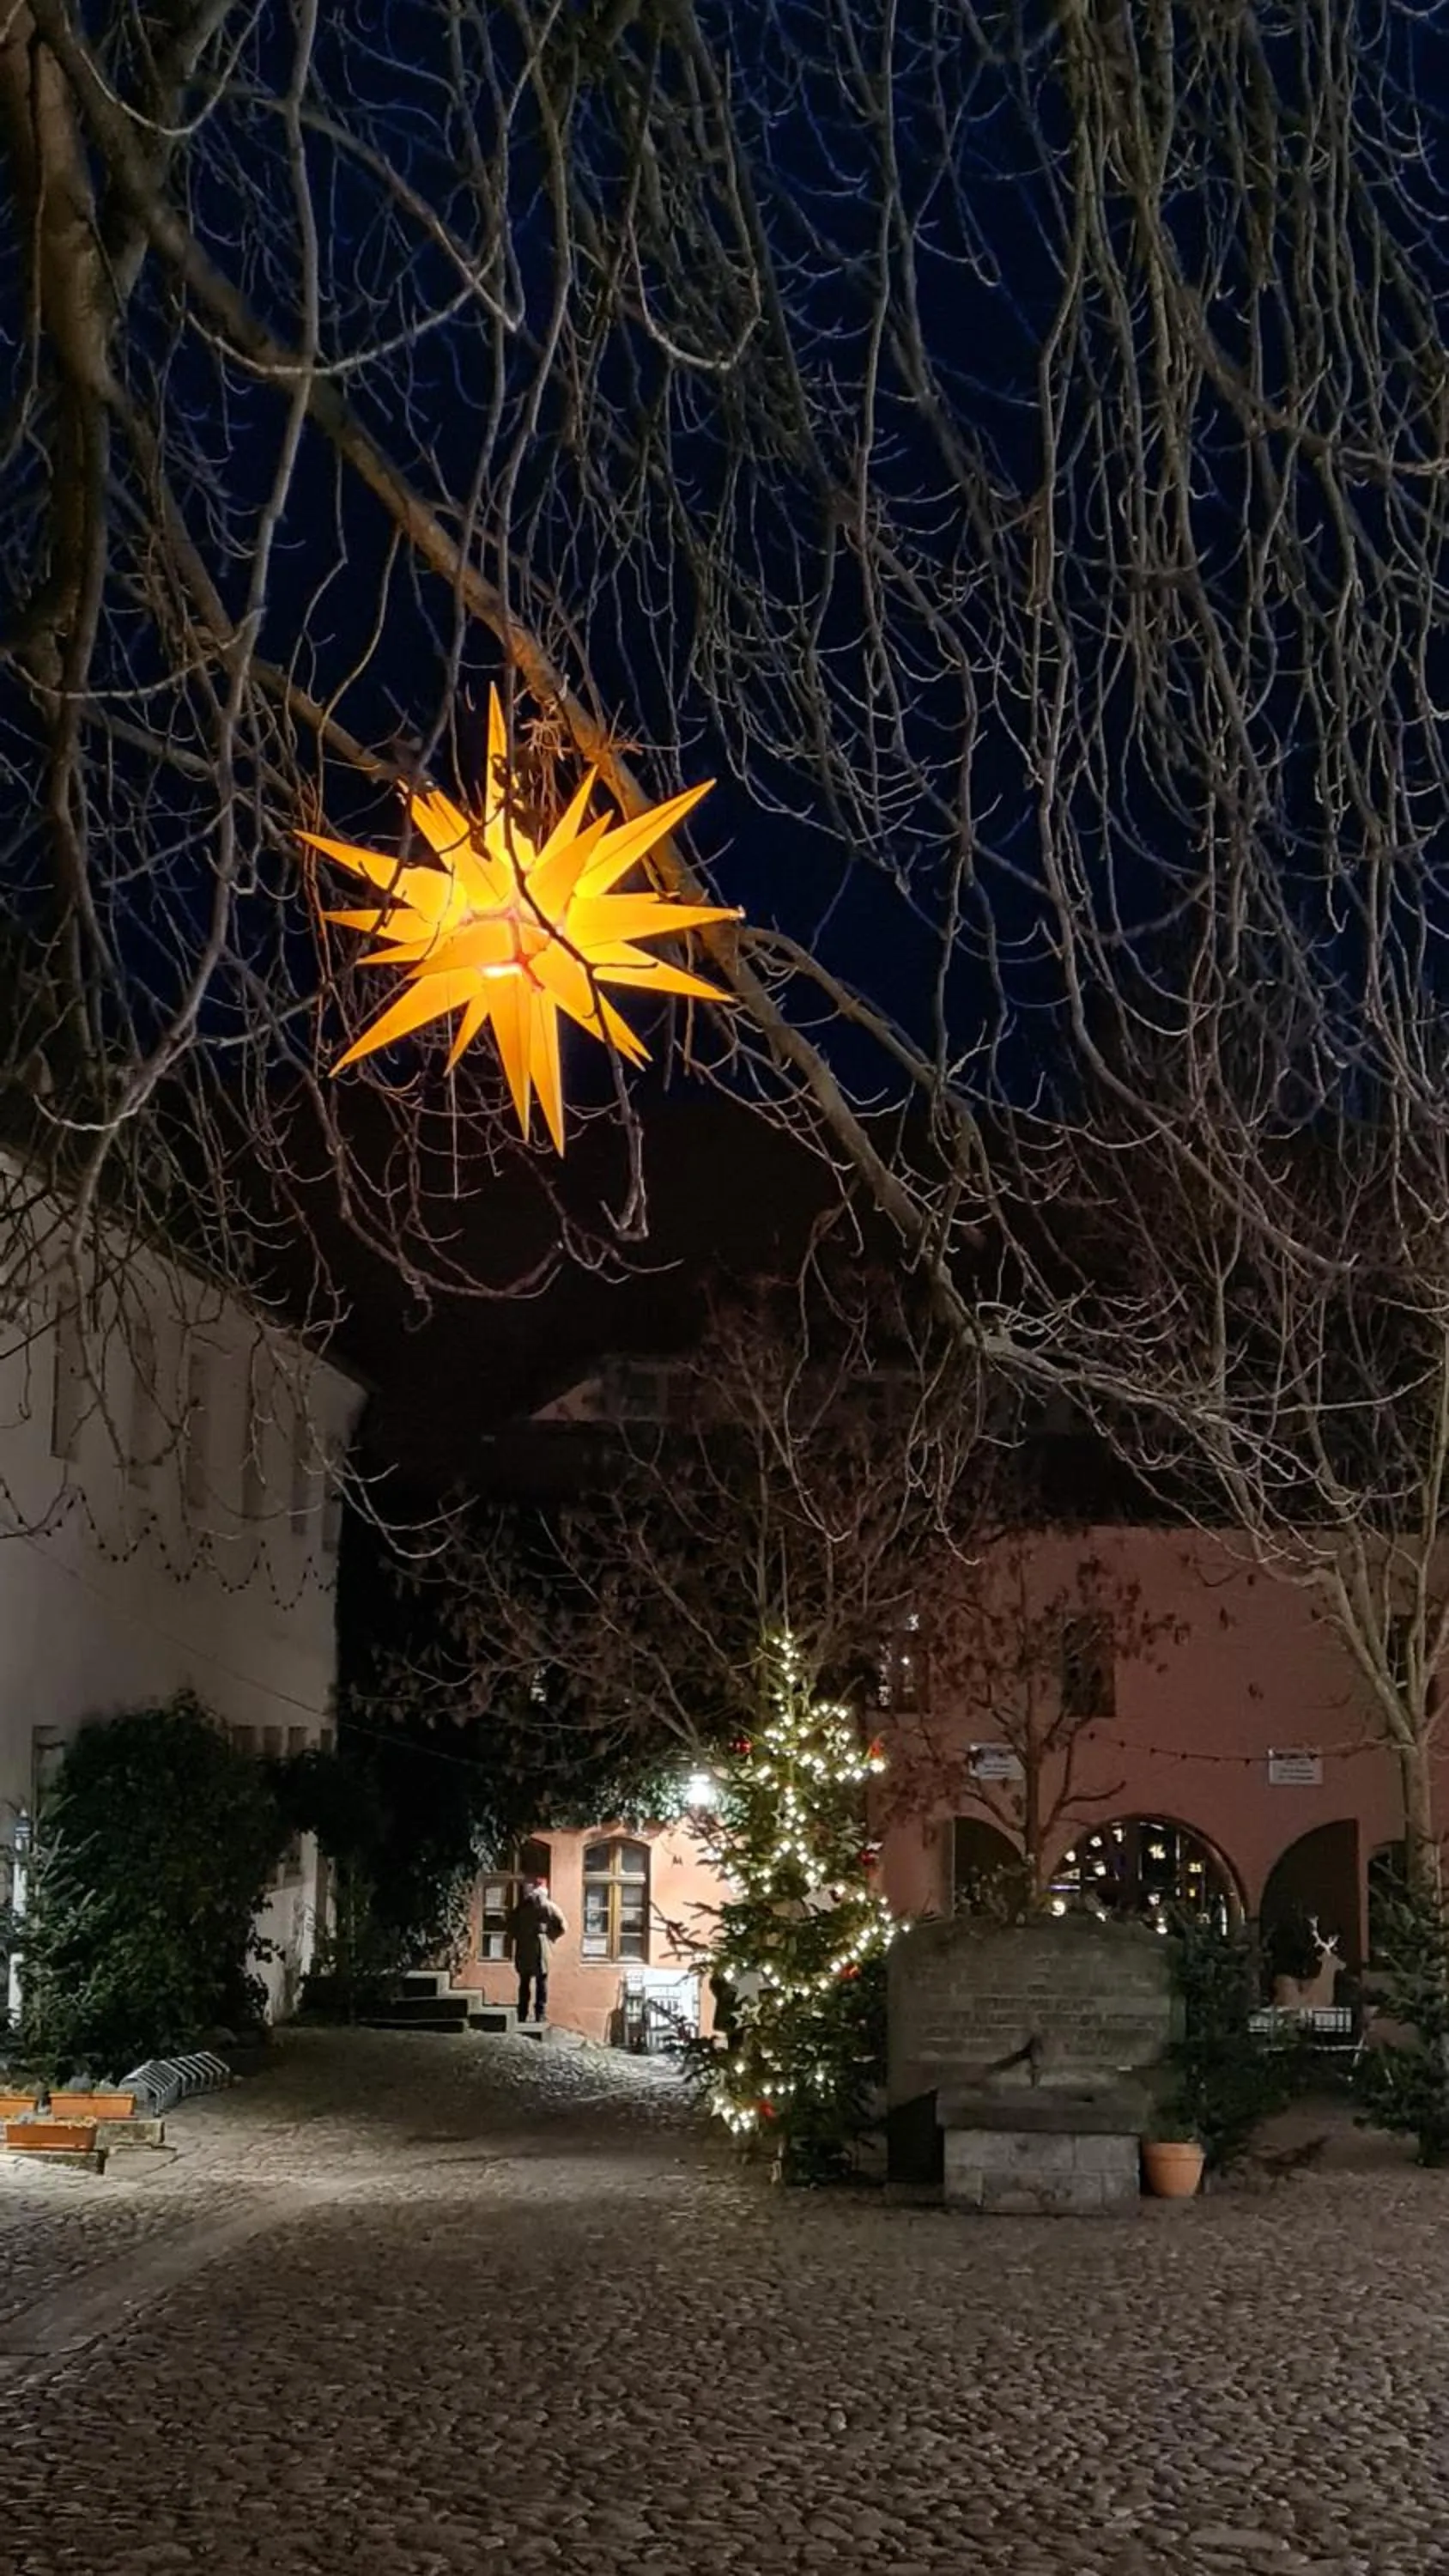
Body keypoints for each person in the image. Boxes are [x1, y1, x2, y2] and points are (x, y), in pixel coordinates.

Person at [507, 1874, 567, 2026]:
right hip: (540, 1946)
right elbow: (562, 1926)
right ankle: (539, 2013)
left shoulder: (522, 1906)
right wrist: (550, 1936)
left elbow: (510, 1924)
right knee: (541, 1981)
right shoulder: (548, 1906)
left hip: (526, 1946)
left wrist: (518, 1936)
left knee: (526, 1981)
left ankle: (523, 2012)